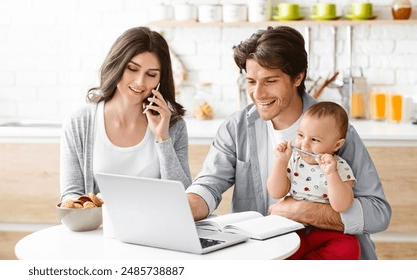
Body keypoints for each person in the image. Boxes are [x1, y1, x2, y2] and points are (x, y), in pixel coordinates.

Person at [185, 26, 391, 259]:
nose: (258, 94)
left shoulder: (336, 132)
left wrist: (303, 211)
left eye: (270, 81)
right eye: (251, 81)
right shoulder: (236, 128)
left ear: (298, 77)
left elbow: (378, 213)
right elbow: (210, 183)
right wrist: (187, 205)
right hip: (264, 254)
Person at [60, 26, 192, 202]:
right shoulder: (79, 122)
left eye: (151, 74)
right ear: (117, 65)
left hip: (157, 228)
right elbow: (71, 198)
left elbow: (183, 198)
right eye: (132, 68)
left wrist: (163, 138)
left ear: (160, 80)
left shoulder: (174, 126)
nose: (140, 82)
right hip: (100, 228)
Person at [267, 101, 360, 259]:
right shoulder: (293, 160)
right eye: (301, 135)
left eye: (315, 140)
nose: (304, 144)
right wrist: (281, 161)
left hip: (328, 231)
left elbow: (342, 205)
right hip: (293, 227)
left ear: (336, 144)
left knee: (350, 247)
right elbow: (276, 192)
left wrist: (331, 174)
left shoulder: (339, 167)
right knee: (275, 248)